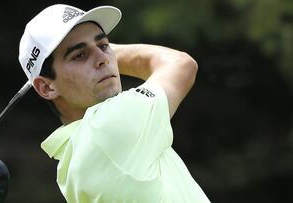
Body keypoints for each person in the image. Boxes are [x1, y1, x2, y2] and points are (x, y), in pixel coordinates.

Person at [18, 4, 210, 203]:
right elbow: (181, 64)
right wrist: (110, 48)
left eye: (103, 46)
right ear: (46, 88)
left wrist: (92, 51)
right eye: (79, 55)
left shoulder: (69, 167)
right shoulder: (109, 124)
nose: (103, 59)